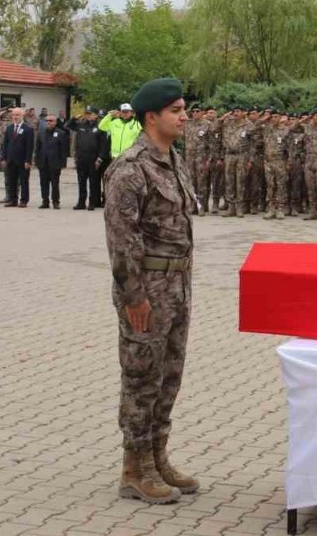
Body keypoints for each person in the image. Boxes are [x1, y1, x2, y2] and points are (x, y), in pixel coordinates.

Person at [103, 78, 199, 505]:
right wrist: (134, 297)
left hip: (176, 286)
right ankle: (134, 469)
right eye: (176, 110)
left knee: (169, 376)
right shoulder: (130, 169)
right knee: (141, 378)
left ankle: (158, 458)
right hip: (146, 292)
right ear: (151, 117)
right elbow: (121, 241)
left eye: (184, 109)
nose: (184, 117)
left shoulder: (173, 161)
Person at [70, 108, 105, 211]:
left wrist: (100, 158)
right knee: (81, 182)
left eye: (90, 114)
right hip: (81, 158)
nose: (88, 116)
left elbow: (103, 144)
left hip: (93, 158)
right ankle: (81, 202)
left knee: (93, 182)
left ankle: (92, 203)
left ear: (96, 115)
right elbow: (68, 126)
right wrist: (73, 118)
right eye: (87, 113)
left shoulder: (100, 126)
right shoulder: (81, 124)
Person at [1, 107, 35, 207]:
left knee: (24, 181)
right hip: (11, 159)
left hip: (22, 160)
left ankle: (24, 200)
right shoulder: (9, 128)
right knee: (12, 180)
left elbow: (29, 146)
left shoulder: (28, 129)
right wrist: (4, 158)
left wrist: (28, 160)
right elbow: (5, 144)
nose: (15, 117)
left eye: (17, 115)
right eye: (13, 115)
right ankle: (13, 200)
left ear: (22, 116)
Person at [34, 113, 68, 209]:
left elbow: (64, 150)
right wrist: (36, 161)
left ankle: (56, 202)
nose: (48, 122)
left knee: (55, 183)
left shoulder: (61, 133)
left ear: (55, 122)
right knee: (43, 183)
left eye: (51, 121)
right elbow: (37, 148)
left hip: (55, 163)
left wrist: (63, 163)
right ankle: (45, 201)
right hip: (43, 162)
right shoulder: (41, 133)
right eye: (47, 121)